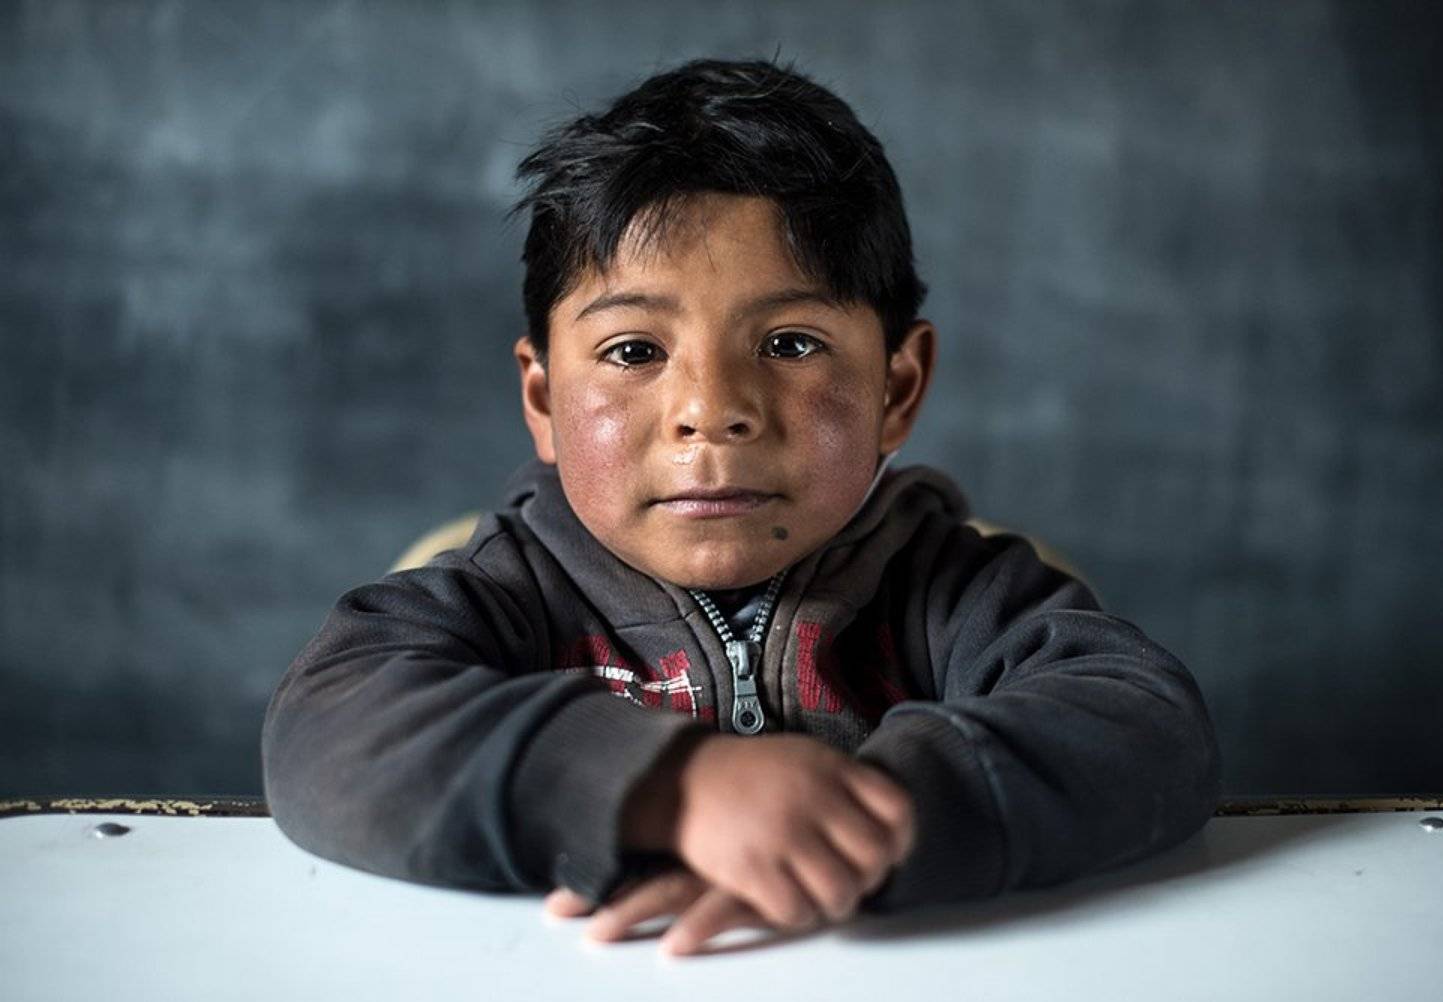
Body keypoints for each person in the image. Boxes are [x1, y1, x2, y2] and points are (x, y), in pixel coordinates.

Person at [261, 57, 1221, 957]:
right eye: (635, 351)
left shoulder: (954, 588)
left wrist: (870, 817)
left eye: (791, 343)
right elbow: (328, 731)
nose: (712, 410)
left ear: (896, 389)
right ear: (544, 400)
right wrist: (670, 787)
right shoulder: (503, 592)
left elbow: (1147, 726)